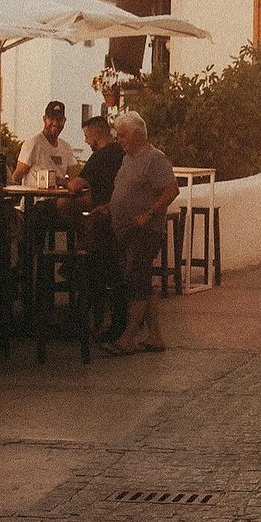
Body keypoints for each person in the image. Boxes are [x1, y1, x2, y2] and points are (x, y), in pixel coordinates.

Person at [103, 110, 179, 356]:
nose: (119, 140)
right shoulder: (128, 159)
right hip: (126, 229)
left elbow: (171, 190)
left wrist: (149, 213)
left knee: (135, 280)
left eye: (123, 136)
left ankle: (127, 338)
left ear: (137, 135)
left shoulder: (154, 159)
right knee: (142, 282)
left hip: (144, 230)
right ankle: (155, 336)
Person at [67, 116, 127, 343]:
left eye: (87, 136)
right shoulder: (121, 154)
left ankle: (85, 321)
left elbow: (76, 185)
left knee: (97, 268)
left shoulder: (100, 156)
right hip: (119, 218)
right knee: (111, 271)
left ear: (96, 134)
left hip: (103, 221)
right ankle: (102, 321)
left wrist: (64, 182)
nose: (86, 141)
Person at [13, 101, 78, 187]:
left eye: (59, 119)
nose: (55, 123)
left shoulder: (66, 147)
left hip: (60, 197)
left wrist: (62, 182)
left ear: (64, 121)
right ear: (44, 119)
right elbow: (16, 177)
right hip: (37, 198)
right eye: (51, 119)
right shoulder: (33, 144)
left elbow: (74, 179)